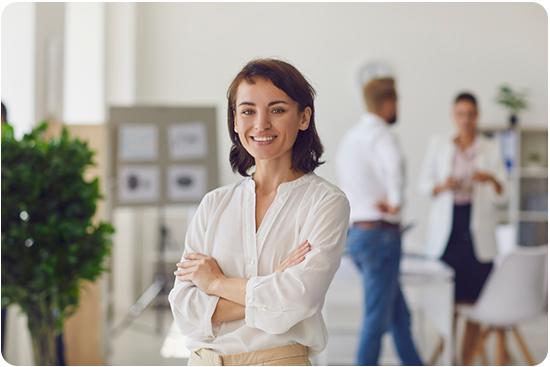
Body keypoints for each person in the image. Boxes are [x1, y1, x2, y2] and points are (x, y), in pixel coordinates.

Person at [168, 58, 350, 366]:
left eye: (277, 110)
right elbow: (185, 309)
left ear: (304, 117)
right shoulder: (214, 203)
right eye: (248, 111)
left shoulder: (326, 202)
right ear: (235, 121)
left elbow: (297, 299)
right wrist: (273, 279)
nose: (261, 124)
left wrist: (215, 284)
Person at [335, 78, 423, 366]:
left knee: (399, 315)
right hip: (381, 237)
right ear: (389, 103)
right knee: (377, 317)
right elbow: (394, 166)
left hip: (358, 236)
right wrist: (396, 202)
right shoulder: (382, 135)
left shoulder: (350, 138)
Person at [417, 92, 507, 363]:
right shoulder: (439, 145)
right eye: (460, 114)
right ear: (453, 116)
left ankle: (467, 359)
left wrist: (490, 178)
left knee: (474, 304)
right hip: (449, 232)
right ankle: (448, 357)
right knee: (449, 303)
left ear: (477, 116)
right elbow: (423, 187)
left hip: (478, 234)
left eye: (470, 114)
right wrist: (444, 186)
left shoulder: (491, 148)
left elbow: (504, 195)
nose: (465, 120)